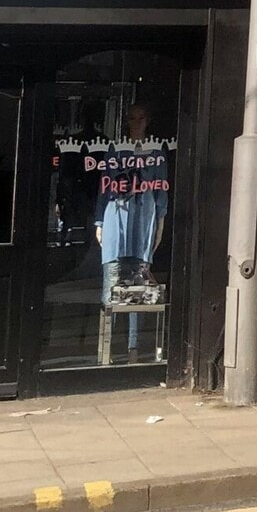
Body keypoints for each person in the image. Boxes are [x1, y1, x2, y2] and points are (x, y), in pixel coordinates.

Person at [95, 103, 170, 358]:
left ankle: (133, 347)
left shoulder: (157, 150)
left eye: (141, 118)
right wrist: (99, 222)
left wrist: (160, 222)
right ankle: (106, 346)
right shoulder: (115, 149)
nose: (136, 123)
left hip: (144, 216)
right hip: (116, 215)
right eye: (132, 118)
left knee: (138, 280)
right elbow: (105, 185)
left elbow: (161, 189)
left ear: (148, 120)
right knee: (112, 276)